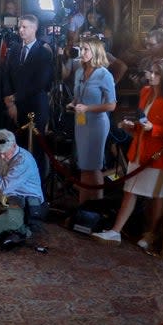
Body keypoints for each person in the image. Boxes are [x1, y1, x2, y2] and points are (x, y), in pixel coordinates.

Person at [97, 58, 163, 245]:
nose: (151, 76)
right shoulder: (146, 92)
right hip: (138, 149)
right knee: (130, 190)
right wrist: (132, 127)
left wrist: (154, 129)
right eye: (151, 72)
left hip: (157, 152)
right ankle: (116, 231)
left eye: (156, 73)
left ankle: (152, 233)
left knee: (156, 195)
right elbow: (143, 119)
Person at [1, 14, 54, 182]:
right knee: (18, 146)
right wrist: (9, 101)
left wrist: (15, 98)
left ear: (34, 28)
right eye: (19, 27)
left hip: (35, 105)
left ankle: (37, 187)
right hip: (15, 105)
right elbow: (6, 76)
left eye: (24, 27)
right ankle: (18, 183)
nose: (20, 30)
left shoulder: (43, 51)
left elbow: (41, 82)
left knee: (36, 148)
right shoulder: (15, 49)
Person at [68, 37, 117, 205]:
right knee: (84, 165)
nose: (81, 53)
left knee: (94, 165)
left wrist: (88, 108)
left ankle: (97, 207)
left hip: (96, 123)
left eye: (85, 49)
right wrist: (73, 103)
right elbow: (77, 97)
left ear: (95, 52)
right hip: (80, 121)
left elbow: (111, 105)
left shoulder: (104, 75)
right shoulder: (79, 72)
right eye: (80, 49)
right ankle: (83, 206)